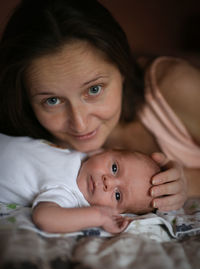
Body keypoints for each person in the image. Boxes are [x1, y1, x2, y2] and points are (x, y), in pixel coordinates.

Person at [0, 0, 196, 212]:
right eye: (52, 101)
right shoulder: (35, 150)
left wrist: (186, 182)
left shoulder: (174, 85)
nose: (80, 124)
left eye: (94, 89)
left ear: (122, 68)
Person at [0, 133, 160, 234]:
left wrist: (100, 216)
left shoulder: (70, 194)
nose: (108, 182)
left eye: (117, 195)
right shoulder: (84, 154)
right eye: (114, 168)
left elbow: (44, 218)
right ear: (106, 151)